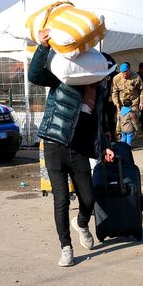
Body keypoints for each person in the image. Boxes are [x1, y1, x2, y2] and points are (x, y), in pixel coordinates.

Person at [28, 29, 115, 267]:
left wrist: (105, 146)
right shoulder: (65, 77)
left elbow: (98, 123)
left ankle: (82, 223)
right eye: (105, 75)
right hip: (55, 145)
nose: (106, 79)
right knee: (61, 199)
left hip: (78, 149)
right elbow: (35, 76)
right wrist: (43, 47)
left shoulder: (100, 91)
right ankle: (66, 247)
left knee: (88, 197)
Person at [111, 62, 143, 137]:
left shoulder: (136, 77)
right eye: (123, 73)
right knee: (121, 120)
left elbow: (142, 90)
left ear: (129, 70)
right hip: (121, 104)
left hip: (134, 102)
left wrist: (142, 102)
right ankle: (120, 136)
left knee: (134, 119)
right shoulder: (116, 78)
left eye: (126, 73)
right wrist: (116, 104)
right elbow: (114, 92)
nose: (125, 75)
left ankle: (133, 138)